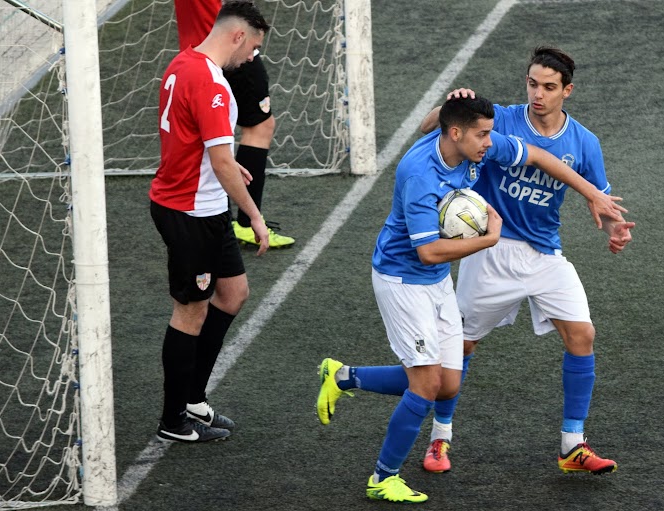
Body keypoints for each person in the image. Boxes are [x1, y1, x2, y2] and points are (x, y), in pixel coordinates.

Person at [316, 95, 624, 503]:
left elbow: (533, 155)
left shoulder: (472, 142)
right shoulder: (419, 175)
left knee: (447, 384)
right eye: (482, 134)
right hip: (403, 280)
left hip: (436, 278)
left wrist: (593, 195)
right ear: (457, 133)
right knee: (426, 384)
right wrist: (488, 240)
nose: (489, 142)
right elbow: (427, 251)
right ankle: (382, 476)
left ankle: (344, 376)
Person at [415, 46, 635, 474]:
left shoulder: (585, 143)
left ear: (567, 91)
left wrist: (614, 229)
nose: (538, 94)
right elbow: (433, 131)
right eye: (533, 84)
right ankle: (440, 438)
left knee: (582, 335)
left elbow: (601, 200)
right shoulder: (499, 119)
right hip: (491, 250)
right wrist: (447, 107)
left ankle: (572, 445)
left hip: (545, 253)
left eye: (549, 87)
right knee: (460, 348)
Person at [150, 1, 270, 443]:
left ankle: (194, 399)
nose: (252, 58)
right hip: (188, 213)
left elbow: (193, 139)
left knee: (233, 293)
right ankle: (172, 419)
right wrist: (255, 217)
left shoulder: (184, 63)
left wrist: (221, 169)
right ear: (237, 36)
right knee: (191, 311)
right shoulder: (213, 83)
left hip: (205, 204)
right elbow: (221, 159)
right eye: (253, 48)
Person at [174, 0, 295, 248]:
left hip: (193, 49)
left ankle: (221, 214)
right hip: (226, 47)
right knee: (259, 127)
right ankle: (246, 222)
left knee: (206, 133)